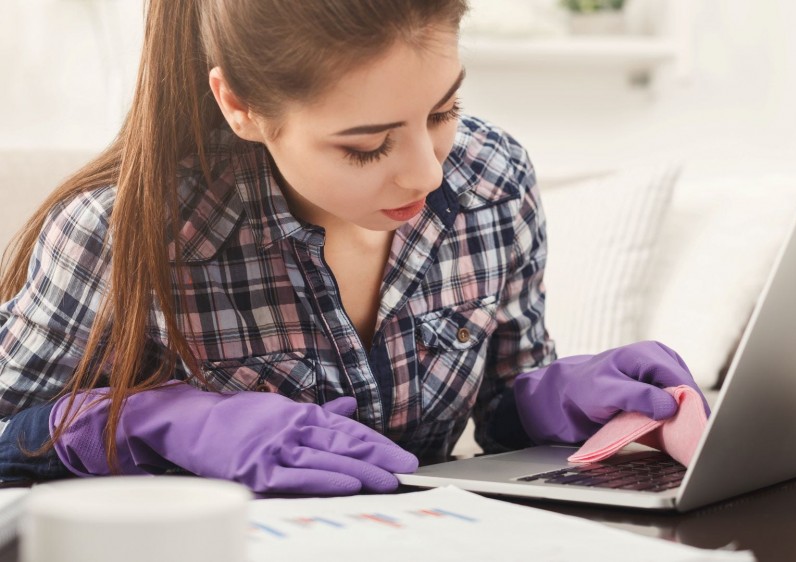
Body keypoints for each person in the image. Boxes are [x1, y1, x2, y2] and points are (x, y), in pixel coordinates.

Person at [0, 0, 707, 496]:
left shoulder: (492, 179)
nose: (430, 174)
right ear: (241, 105)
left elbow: (500, 410)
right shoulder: (121, 232)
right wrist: (150, 424)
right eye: (367, 147)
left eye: (443, 111)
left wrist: (564, 397)